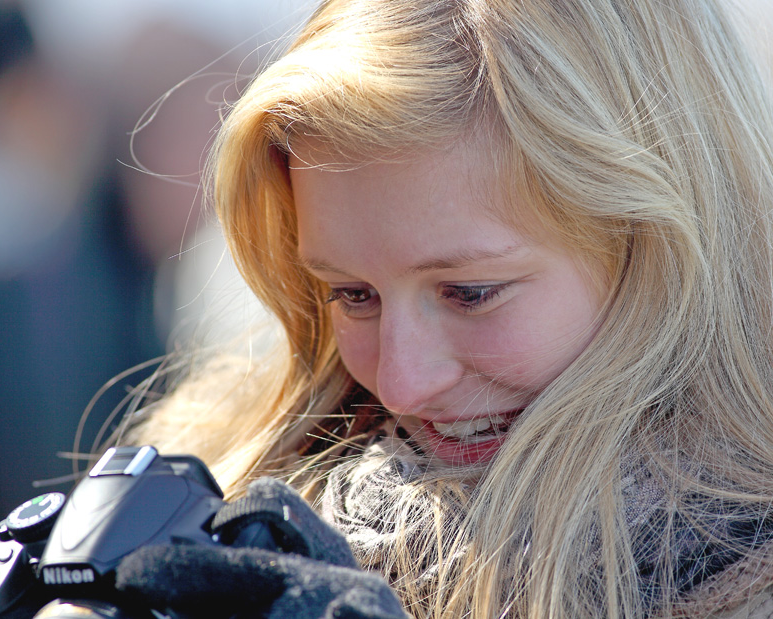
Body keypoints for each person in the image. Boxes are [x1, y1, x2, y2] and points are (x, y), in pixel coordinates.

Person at [87, 0, 773, 616]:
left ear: (659, 245)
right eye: (354, 295)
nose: (399, 382)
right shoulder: (211, 501)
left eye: (469, 293)